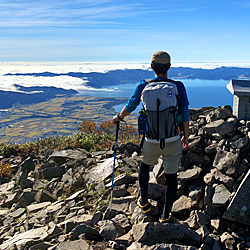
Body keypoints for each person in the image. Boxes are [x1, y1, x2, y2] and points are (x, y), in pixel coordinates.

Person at [112, 51, 190, 223]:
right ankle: (166, 214)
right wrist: (186, 136)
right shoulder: (178, 86)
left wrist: (118, 117)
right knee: (171, 177)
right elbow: (184, 113)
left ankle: (144, 202)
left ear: (152, 67)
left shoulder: (143, 85)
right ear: (169, 67)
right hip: (172, 138)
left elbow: (130, 105)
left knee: (145, 166)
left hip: (151, 140)